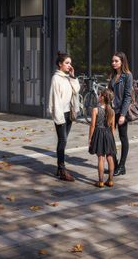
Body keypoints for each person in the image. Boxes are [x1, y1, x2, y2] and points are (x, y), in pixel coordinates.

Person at [48, 52, 81, 182]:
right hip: (60, 114)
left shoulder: (68, 77)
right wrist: (58, 117)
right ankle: (62, 170)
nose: (69, 65)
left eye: (70, 63)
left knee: (63, 141)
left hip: (69, 113)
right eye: (67, 63)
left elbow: (76, 89)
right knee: (63, 140)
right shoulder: (56, 78)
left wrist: (72, 76)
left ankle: (59, 168)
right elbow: (55, 99)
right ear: (60, 64)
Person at [108, 52, 133, 177]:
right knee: (109, 137)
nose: (113, 63)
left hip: (121, 111)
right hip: (112, 112)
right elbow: (109, 93)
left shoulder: (127, 76)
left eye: (116, 61)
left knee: (123, 138)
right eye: (112, 61)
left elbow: (128, 96)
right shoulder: (113, 75)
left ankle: (122, 166)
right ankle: (115, 164)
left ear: (122, 62)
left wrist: (123, 114)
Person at [88, 88, 117, 188]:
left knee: (101, 157)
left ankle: (100, 181)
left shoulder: (95, 110)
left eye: (100, 95)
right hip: (109, 134)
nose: (99, 96)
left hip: (99, 134)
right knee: (110, 157)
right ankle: (110, 180)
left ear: (103, 97)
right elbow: (113, 127)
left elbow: (92, 126)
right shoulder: (112, 111)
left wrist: (90, 138)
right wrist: (111, 138)